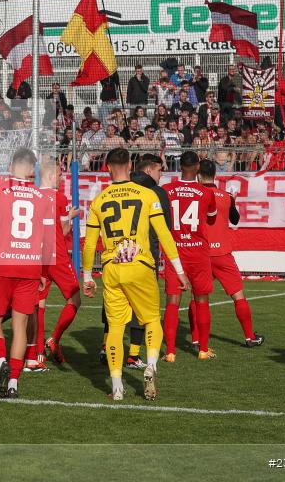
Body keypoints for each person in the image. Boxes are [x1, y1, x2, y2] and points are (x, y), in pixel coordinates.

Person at [82, 147, 189, 401]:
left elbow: (89, 244)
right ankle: (150, 366)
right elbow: (164, 234)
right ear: (130, 165)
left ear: (107, 167)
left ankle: (117, 386)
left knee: (116, 326)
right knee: (151, 319)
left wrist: (87, 277)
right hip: (140, 265)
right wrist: (179, 270)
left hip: (112, 269)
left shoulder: (100, 199)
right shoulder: (146, 194)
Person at [0, 149, 55, 398]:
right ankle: (14, 382)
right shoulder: (43, 198)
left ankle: (2, 360)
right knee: (20, 325)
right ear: (30, 169)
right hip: (29, 268)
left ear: (12, 165)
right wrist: (44, 271)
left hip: (1, 266)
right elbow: (49, 241)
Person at [196, 159, 265, 347]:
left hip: (201, 253)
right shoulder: (225, 196)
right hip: (223, 254)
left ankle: (196, 339)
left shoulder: (195, 195)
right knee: (238, 296)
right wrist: (233, 201)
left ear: (198, 175)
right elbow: (235, 220)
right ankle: (250, 337)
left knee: (199, 297)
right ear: (215, 175)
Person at [161, 151, 218, 362]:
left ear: (180, 167)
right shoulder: (206, 192)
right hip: (198, 252)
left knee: (172, 301)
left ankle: (170, 352)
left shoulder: (167, 190)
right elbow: (211, 218)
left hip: (174, 252)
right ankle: (203, 349)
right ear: (197, 169)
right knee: (201, 300)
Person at [37, 168, 82, 367]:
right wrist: (70, 217)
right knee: (75, 299)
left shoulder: (34, 196)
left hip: (38, 257)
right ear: (49, 175)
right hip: (58, 256)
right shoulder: (60, 198)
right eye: (59, 174)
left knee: (39, 304)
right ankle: (54, 338)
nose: (62, 178)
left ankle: (38, 353)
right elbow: (63, 231)